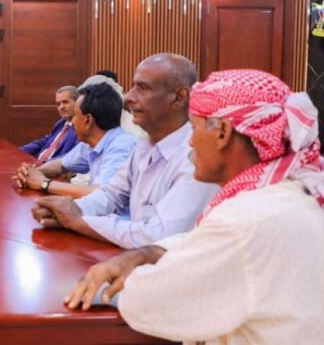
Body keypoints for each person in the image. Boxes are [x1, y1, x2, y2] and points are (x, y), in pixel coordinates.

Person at [66, 69, 324, 343]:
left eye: (195, 127)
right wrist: (149, 253)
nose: (190, 141)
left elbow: (153, 302)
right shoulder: (284, 195)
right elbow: (207, 242)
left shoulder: (247, 219)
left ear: (222, 133)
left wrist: (97, 286)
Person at [31, 53, 219, 248]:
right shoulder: (145, 145)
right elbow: (111, 195)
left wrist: (79, 220)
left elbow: (159, 237)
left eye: (142, 88)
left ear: (179, 97)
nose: (128, 97)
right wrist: (68, 209)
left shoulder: (197, 156)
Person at [14, 83, 137, 198]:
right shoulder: (90, 144)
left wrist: (44, 183)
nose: (73, 122)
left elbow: (102, 195)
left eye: (76, 116)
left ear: (88, 120)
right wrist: (32, 174)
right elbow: (61, 165)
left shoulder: (122, 146)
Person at [20, 85, 80, 162]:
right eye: (58, 104)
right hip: (37, 162)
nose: (61, 107)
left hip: (52, 167)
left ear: (78, 103)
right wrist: (18, 151)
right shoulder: (61, 123)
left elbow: (72, 157)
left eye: (65, 102)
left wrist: (44, 166)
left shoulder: (81, 128)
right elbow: (44, 142)